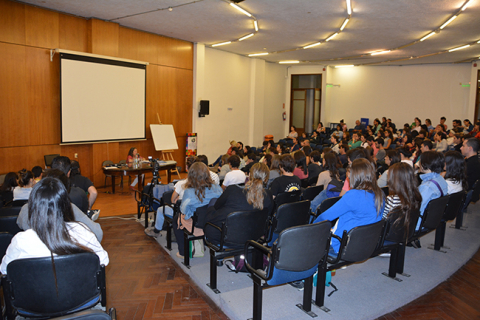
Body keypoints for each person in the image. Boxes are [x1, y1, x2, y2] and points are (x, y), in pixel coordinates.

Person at [1, 177, 108, 275]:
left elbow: (4, 270)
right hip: (81, 295)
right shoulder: (82, 231)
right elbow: (103, 261)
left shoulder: (21, 240)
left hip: (36, 295)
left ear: (33, 206)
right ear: (66, 205)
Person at [313, 158, 384, 254]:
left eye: (350, 178)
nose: (349, 182)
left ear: (356, 178)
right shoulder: (380, 193)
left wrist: (312, 227)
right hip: (367, 244)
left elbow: (325, 217)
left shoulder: (353, 195)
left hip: (343, 247)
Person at [16, 169, 104, 242]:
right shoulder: (70, 208)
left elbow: (20, 224)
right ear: (65, 191)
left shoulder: (25, 209)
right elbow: (97, 234)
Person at [203, 163, 274, 244]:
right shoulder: (268, 195)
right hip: (254, 235)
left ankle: (219, 255)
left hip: (225, 236)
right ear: (266, 179)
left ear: (249, 175)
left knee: (213, 202)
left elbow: (217, 206)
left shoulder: (232, 190)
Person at [172, 162, 223, 258]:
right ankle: (202, 242)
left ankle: (183, 252)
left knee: (176, 219)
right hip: (213, 221)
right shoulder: (217, 188)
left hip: (197, 223)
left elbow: (184, 209)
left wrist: (186, 216)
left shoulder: (189, 191)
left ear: (191, 175)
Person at [145, 156, 198, 238]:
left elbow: (172, 200)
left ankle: (156, 231)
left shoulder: (181, 184)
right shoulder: (202, 184)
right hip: (196, 214)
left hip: (181, 213)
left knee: (160, 209)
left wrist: (178, 199)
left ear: (187, 167)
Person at [382, 163, 422, 241]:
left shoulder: (391, 199)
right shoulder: (416, 197)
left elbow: (382, 220)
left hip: (389, 235)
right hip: (405, 232)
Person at [417, 151, 448, 230]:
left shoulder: (427, 187)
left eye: (420, 161)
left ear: (426, 165)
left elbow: (417, 209)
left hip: (420, 223)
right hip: (433, 219)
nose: (418, 164)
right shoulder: (440, 179)